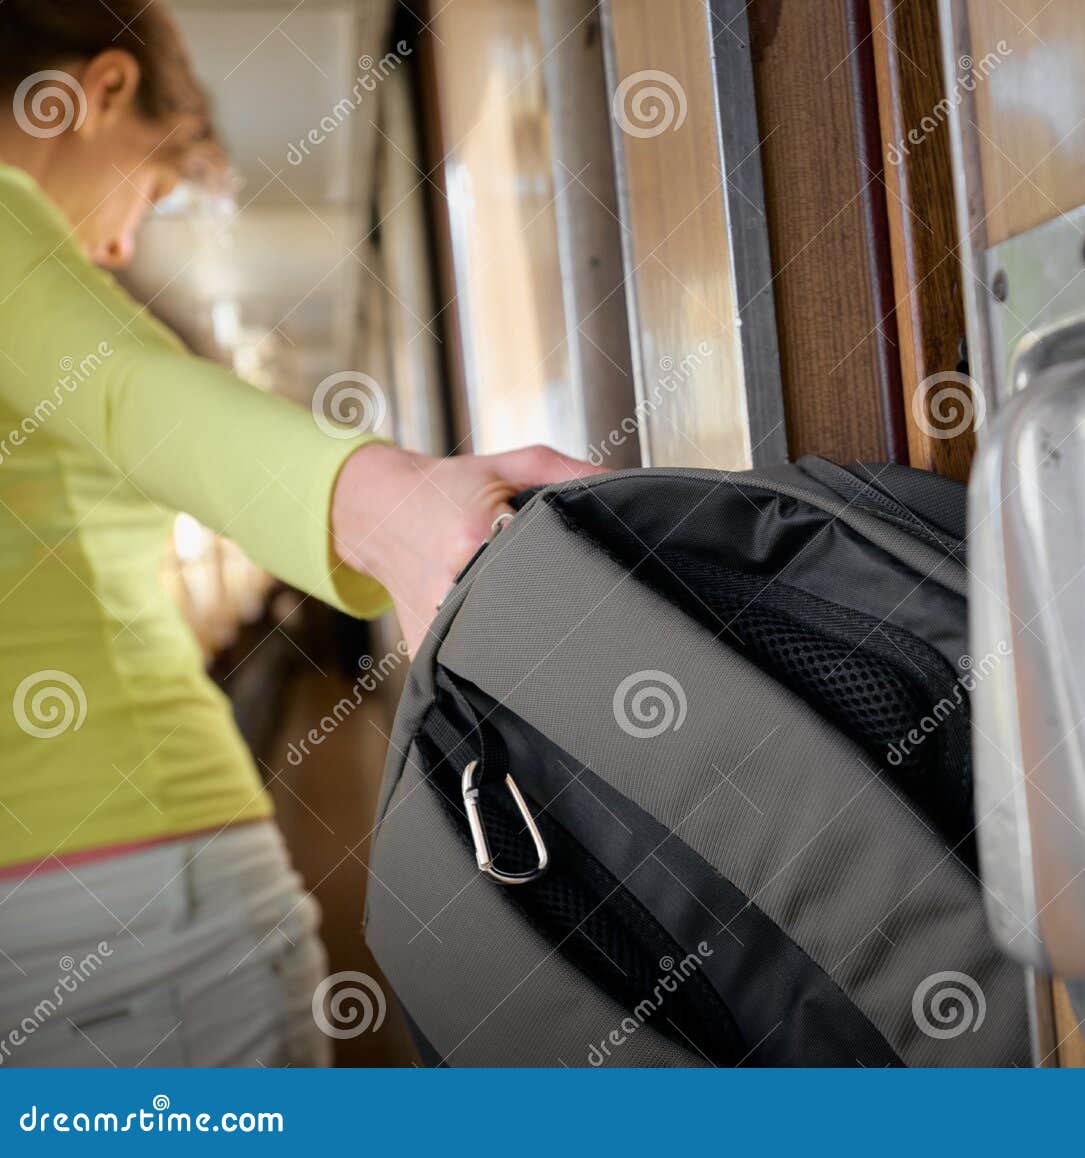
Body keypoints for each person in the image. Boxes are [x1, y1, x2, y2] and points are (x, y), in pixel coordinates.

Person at [0, 0, 597, 1065]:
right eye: (153, 178)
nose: (125, 242)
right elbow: (130, 397)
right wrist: (392, 509)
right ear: (98, 96)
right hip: (130, 892)